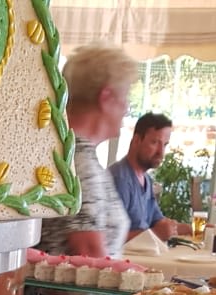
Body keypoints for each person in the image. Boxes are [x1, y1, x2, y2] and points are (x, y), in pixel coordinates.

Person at [35, 46, 138, 258]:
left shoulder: (68, 152)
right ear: (106, 97)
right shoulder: (78, 162)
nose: (127, 108)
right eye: (125, 96)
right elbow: (89, 256)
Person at [109, 112, 190, 241]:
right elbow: (108, 238)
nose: (161, 152)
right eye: (155, 142)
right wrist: (154, 233)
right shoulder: (118, 179)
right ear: (136, 140)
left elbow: (159, 223)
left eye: (164, 145)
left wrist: (198, 229)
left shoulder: (146, 180)